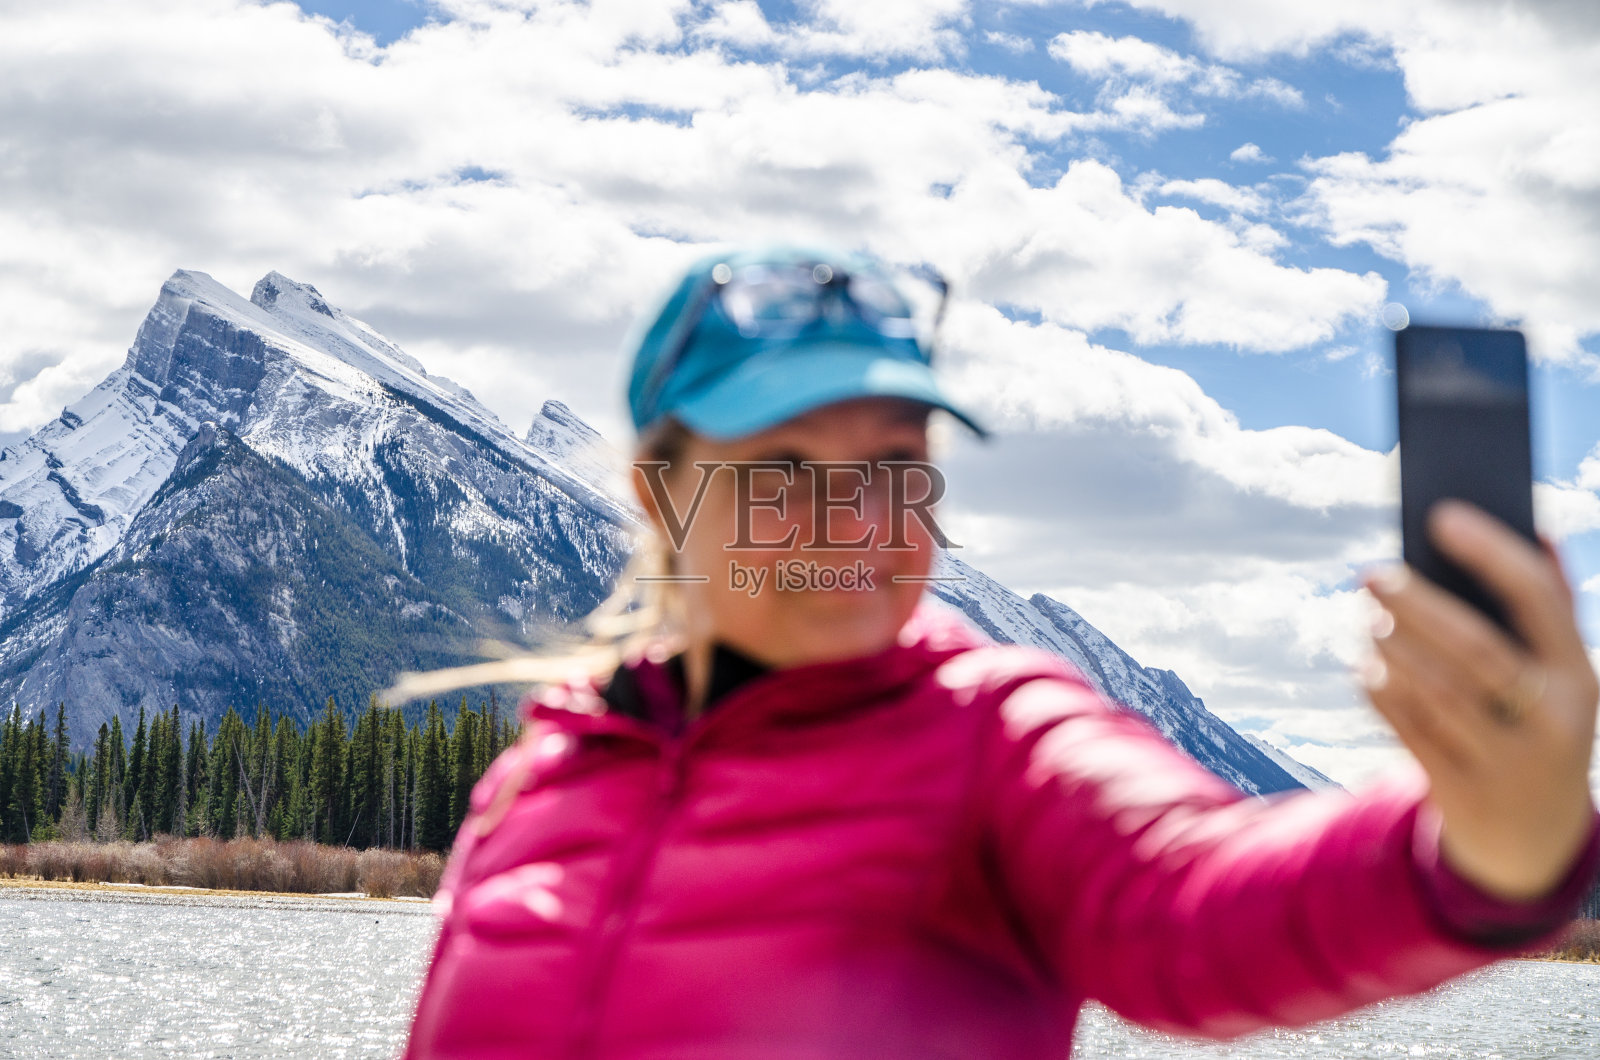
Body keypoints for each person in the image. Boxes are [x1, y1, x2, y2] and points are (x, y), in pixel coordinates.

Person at [403, 244, 1599, 1058]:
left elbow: (1191, 898)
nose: (860, 525)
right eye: (782, 473)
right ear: (655, 493)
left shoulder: (992, 732)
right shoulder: (558, 758)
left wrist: (1481, 845)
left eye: (892, 468)